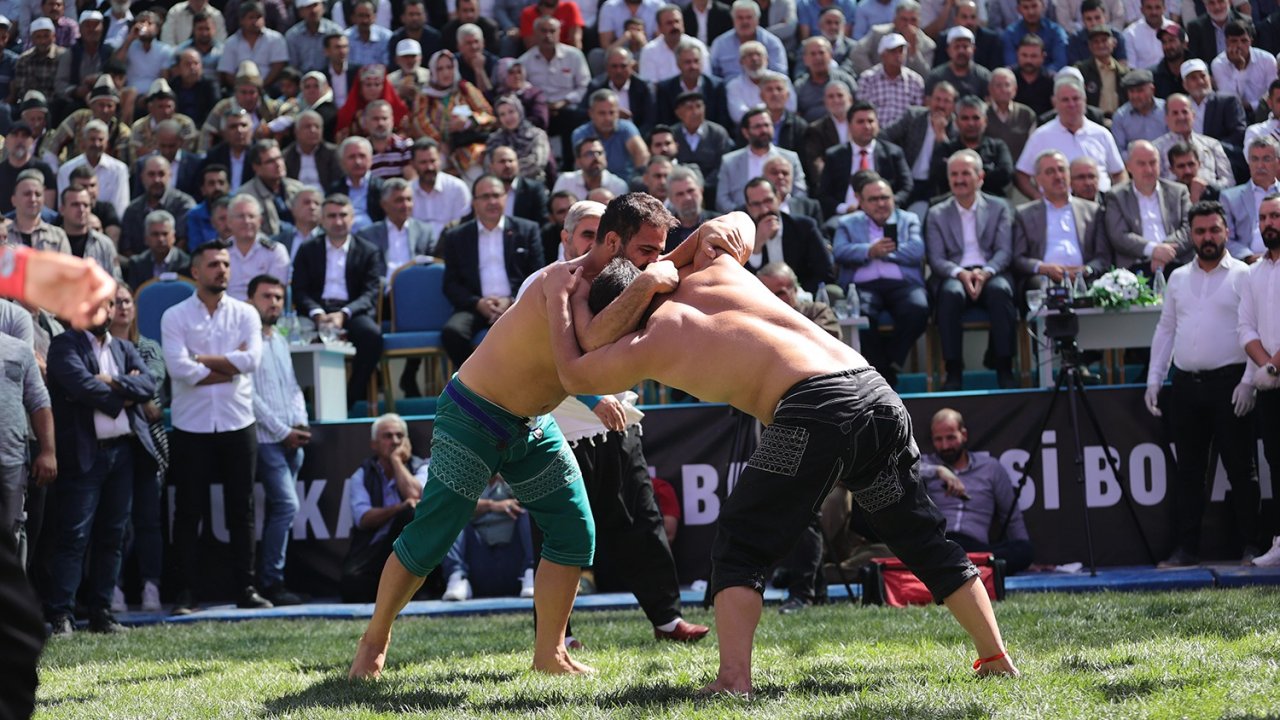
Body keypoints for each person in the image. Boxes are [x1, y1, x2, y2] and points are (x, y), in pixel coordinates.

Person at [543, 194, 1018, 694]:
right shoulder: (716, 269)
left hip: (814, 411)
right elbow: (736, 222)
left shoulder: (648, 340)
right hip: (875, 393)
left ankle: (733, 680)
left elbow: (574, 369)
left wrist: (562, 293)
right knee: (920, 536)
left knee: (740, 541)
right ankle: (995, 655)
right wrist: (672, 261)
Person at [346, 190, 752, 681]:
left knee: (573, 529)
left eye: (658, 250)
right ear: (611, 242)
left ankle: (550, 652)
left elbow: (665, 266)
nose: (656, 259)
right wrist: (649, 282)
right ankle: (375, 639)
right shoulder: (555, 280)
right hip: (473, 414)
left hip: (529, 424)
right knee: (430, 539)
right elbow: (574, 367)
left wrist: (708, 236)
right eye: (646, 250)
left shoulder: (625, 275)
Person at [1144, 200, 1258, 567]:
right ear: (1190, 235)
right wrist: (1154, 378)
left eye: (1214, 230)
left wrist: (1248, 381)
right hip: (1186, 388)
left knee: (1242, 470)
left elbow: (1257, 331)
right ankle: (1186, 550)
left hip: (1231, 384)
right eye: (1200, 231)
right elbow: (1166, 330)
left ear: (1226, 231)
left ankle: (1253, 547)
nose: (1207, 237)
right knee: (1189, 474)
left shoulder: (1245, 275)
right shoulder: (1177, 278)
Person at [161, 241, 269, 615]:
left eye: (225, 263)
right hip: (191, 426)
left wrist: (201, 361)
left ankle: (246, 587)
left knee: (242, 509)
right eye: (213, 264)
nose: (222, 269)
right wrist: (228, 368)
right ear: (196, 272)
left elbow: (252, 360)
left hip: (238, 421)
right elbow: (178, 370)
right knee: (189, 510)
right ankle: (186, 593)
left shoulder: (246, 314)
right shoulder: (174, 315)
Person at [44, 293, 157, 634]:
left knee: (114, 535)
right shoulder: (64, 345)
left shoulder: (123, 348)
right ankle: (61, 613)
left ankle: (101, 612)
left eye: (106, 304)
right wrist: (124, 393)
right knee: (74, 536)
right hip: (84, 455)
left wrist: (114, 381)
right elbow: (82, 387)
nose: (100, 309)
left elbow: (149, 384)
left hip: (122, 453)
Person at [926, 150, 1018, 391]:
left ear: (980, 177)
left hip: (991, 272)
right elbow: (936, 259)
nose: (959, 179)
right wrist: (961, 274)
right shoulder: (937, 212)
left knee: (1001, 291)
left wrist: (986, 272)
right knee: (950, 294)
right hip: (955, 273)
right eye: (953, 174)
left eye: (965, 173)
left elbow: (1004, 251)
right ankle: (953, 371)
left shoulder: (999, 207)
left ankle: (1004, 367)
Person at [247, 274, 309, 604]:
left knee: (280, 510)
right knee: (287, 506)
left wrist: (299, 422)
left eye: (278, 297)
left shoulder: (281, 341)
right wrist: (283, 431)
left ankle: (274, 578)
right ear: (251, 300)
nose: (273, 302)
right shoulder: (247, 340)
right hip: (266, 440)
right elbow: (249, 397)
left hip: (290, 438)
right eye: (266, 296)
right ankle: (271, 580)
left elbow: (294, 388)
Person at [291, 195, 386, 409]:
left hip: (351, 311)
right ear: (322, 220)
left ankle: (349, 399)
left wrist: (343, 314)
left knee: (372, 337)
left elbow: (370, 293)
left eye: (343, 215)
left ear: (352, 218)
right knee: (294, 339)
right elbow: (299, 290)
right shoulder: (307, 249)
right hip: (315, 312)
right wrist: (316, 313)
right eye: (332, 216)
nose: (338, 221)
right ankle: (301, 404)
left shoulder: (368, 250)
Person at [439, 175, 544, 367]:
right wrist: (478, 303)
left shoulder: (527, 230)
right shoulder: (456, 236)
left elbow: (538, 275)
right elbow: (451, 284)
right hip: (476, 306)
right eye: (485, 197)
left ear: (505, 197)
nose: (492, 201)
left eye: (497, 195)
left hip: (517, 305)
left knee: (539, 332)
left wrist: (512, 300)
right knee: (452, 333)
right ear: (474, 203)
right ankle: (473, 386)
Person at [833, 177, 928, 388]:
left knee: (918, 309)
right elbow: (839, 251)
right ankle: (884, 370)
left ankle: (890, 363)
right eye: (873, 199)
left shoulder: (908, 218)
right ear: (862, 203)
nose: (880, 203)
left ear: (893, 198)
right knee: (861, 316)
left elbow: (916, 250)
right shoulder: (848, 223)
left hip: (902, 283)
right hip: (863, 286)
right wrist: (868, 250)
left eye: (885, 197)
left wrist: (883, 253)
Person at [922, 409, 1033, 575]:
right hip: (940, 542)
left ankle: (961, 566)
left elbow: (1012, 518)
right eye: (938, 439)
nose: (945, 446)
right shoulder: (926, 464)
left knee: (1024, 550)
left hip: (976, 548)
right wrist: (938, 471)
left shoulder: (990, 468)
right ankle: (971, 568)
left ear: (964, 435)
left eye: (951, 437)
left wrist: (1027, 560)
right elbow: (901, 472)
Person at [341, 413, 428, 602]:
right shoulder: (362, 475)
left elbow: (415, 497)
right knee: (351, 584)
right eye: (388, 436)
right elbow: (363, 519)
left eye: (399, 436)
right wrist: (398, 508)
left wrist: (396, 461)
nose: (395, 441)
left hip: (411, 550)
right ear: (374, 444)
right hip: (376, 548)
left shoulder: (422, 466)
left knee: (410, 514)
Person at [1242, 193, 1280, 567]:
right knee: (1275, 460)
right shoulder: (1253, 273)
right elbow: (1245, 326)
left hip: (1271, 376)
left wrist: (1271, 367)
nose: (1269, 223)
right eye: (1264, 217)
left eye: (1276, 216)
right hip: (1270, 386)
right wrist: (1265, 366)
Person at [1015, 76, 1126, 200]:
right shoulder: (1041, 136)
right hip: (1059, 207)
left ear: (1085, 101)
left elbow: (1119, 173)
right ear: (1055, 104)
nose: (1071, 104)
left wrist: (1116, 201)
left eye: (1076, 99)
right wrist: (1041, 200)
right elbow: (1022, 175)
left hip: (1100, 205)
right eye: (1065, 100)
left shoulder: (1102, 134)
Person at [1012, 150, 1109, 291]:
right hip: (1044, 278)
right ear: (1038, 179)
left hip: (1084, 278)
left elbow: (1103, 256)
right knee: (1039, 286)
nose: (1058, 176)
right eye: (1050, 172)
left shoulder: (1093, 211)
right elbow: (1018, 258)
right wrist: (1043, 268)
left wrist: (1087, 269)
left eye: (1062, 170)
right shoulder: (1024, 214)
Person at [1103, 140, 1191, 273]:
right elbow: (1118, 236)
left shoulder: (1178, 192)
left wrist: (1164, 252)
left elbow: (1190, 229)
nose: (1149, 169)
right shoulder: (1116, 196)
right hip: (1135, 267)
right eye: (1141, 164)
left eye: (1153, 162)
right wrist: (1154, 250)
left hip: (1177, 262)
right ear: (1129, 167)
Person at [406, 50, 495, 178]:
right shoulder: (425, 96)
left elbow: (488, 114)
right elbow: (419, 123)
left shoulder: (465, 89)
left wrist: (469, 121)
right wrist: (440, 141)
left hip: (468, 146)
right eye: (440, 69)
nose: (446, 73)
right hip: (438, 148)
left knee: (476, 169)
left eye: (449, 67)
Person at [820, 101, 912, 219]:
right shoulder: (835, 155)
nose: (867, 126)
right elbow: (824, 194)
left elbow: (907, 186)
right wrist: (844, 208)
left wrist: (887, 203)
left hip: (885, 214)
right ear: (849, 125)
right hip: (846, 215)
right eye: (860, 122)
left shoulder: (893, 153)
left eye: (871, 121)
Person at [715, 108, 807, 213]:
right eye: (758, 126)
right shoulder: (730, 162)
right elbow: (722, 200)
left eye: (767, 125)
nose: (764, 130)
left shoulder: (790, 158)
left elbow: (800, 193)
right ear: (746, 132)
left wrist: (781, 213)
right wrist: (741, 215)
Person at [1154, 94, 1234, 189]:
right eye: (1175, 113)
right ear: (1166, 119)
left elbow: (1229, 181)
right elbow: (1155, 185)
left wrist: (1209, 188)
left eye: (1185, 112)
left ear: (1193, 115)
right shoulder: (1156, 149)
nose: (1181, 117)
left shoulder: (1212, 144)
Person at [224, 194, 288, 301]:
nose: (246, 221)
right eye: (241, 216)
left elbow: (274, 291)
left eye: (251, 216)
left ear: (260, 221)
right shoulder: (219, 252)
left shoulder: (276, 251)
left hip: (262, 312)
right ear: (229, 222)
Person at [486, 96, 552, 185]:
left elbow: (537, 163)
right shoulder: (494, 139)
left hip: (532, 184)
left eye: (511, 112)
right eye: (502, 114)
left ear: (519, 112)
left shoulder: (537, 135)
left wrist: (508, 172)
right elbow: (490, 166)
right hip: (502, 186)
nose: (508, 117)